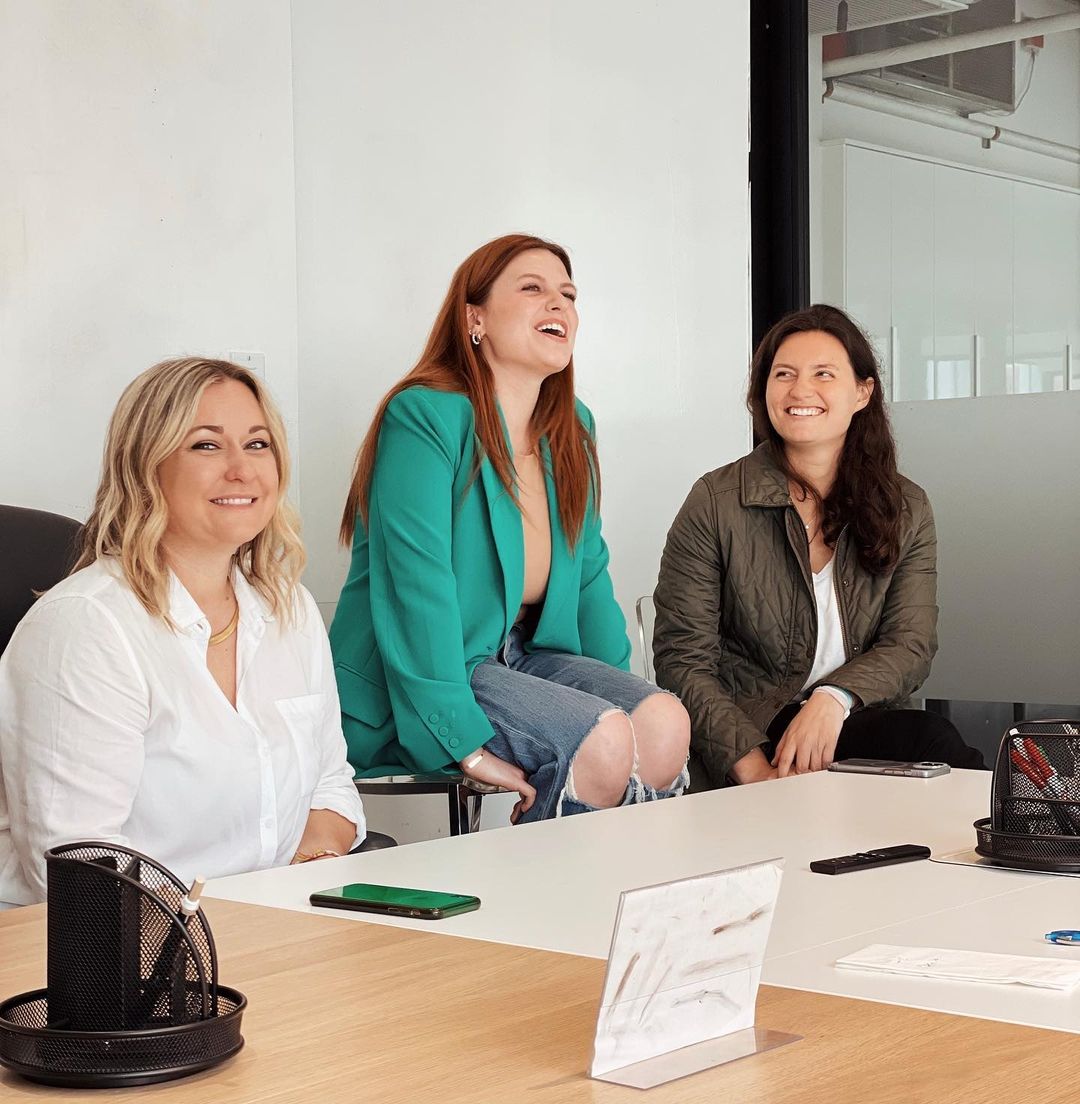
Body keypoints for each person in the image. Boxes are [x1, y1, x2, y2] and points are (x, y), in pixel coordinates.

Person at [331, 233, 690, 822]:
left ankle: (616, 895)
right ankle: (561, 905)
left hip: (525, 653)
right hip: (435, 668)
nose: (559, 305)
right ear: (475, 318)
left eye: (568, 294)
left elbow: (589, 569)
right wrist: (466, 747)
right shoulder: (424, 415)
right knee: (597, 740)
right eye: (533, 289)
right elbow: (415, 590)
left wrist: (617, 699)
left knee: (663, 723)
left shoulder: (572, 426)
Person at [0, 358, 365, 906]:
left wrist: (305, 878)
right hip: (108, 958)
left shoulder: (289, 608)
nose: (242, 470)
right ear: (145, 467)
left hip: (269, 929)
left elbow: (332, 783)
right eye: (206, 445)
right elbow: (80, 868)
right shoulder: (86, 626)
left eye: (258, 444)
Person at [653, 304, 983, 788]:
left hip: (852, 719)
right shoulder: (716, 501)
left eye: (823, 374)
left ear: (862, 392)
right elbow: (683, 660)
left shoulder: (905, 506)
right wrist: (754, 769)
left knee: (937, 745)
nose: (800, 390)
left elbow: (910, 644)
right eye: (783, 374)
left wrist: (833, 698)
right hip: (750, 730)